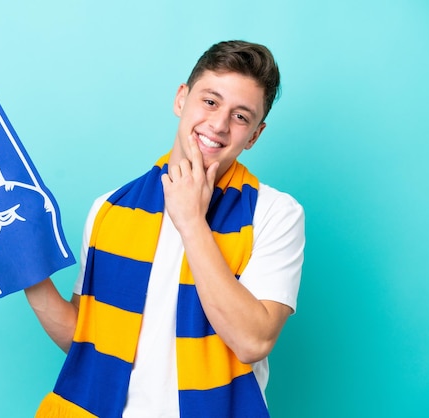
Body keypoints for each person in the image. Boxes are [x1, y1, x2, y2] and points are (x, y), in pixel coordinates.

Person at [25, 40, 305, 417]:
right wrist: (28, 271)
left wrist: (191, 222)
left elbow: (253, 340)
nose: (219, 124)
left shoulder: (275, 213)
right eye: (210, 101)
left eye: (241, 116)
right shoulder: (110, 209)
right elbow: (87, 341)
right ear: (181, 99)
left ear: (254, 135)